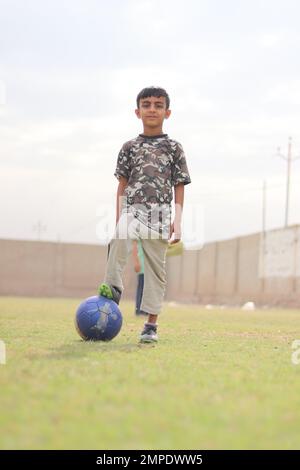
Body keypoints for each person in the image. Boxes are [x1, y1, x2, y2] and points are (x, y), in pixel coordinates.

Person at [98, 86, 191, 343]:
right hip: (132, 210)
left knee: (155, 271)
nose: (152, 109)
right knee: (119, 236)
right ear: (137, 111)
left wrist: (178, 221)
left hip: (160, 215)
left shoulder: (174, 148)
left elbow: (179, 185)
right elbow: (122, 185)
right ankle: (114, 286)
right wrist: (119, 217)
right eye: (147, 104)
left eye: (158, 105)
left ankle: (150, 325)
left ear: (167, 112)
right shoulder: (129, 147)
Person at [132, 240, 147, 316]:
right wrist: (136, 262)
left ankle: (146, 310)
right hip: (142, 265)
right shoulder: (138, 231)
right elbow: (134, 247)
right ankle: (139, 310)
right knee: (141, 288)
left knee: (148, 289)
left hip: (150, 266)